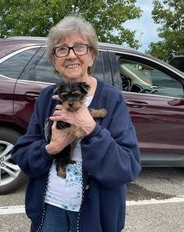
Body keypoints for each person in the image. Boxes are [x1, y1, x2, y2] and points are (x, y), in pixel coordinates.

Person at [11, 15, 141, 232]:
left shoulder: (112, 99)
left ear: (91, 56)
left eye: (79, 47)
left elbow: (127, 167)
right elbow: (23, 156)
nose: (71, 55)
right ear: (54, 61)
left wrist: (90, 128)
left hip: (95, 216)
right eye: (61, 49)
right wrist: (52, 147)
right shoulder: (46, 98)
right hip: (49, 210)